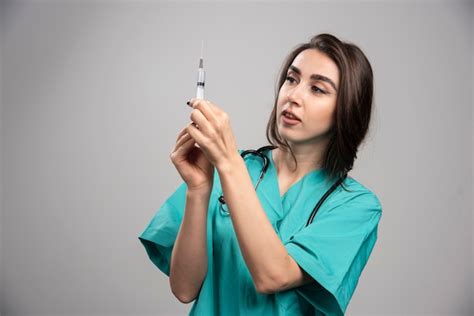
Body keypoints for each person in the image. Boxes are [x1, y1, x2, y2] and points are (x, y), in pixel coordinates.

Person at [138, 33, 382, 315]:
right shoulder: (230, 168)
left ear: (347, 109)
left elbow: (273, 275)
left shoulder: (356, 206)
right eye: (292, 79)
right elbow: (184, 288)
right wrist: (199, 189)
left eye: (317, 89)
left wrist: (228, 163)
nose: (293, 95)